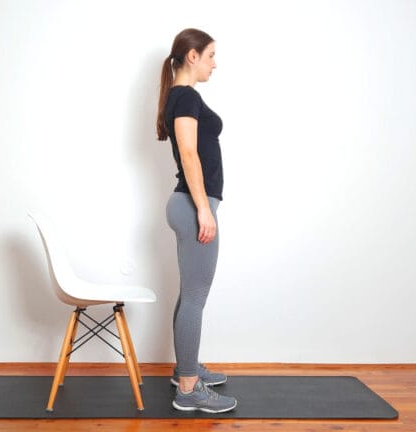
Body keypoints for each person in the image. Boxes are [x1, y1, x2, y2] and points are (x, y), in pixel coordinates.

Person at [156, 28, 238, 414]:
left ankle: (184, 371)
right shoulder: (186, 96)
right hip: (192, 205)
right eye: (210, 56)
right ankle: (188, 389)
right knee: (194, 297)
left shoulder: (182, 96)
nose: (214, 64)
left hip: (189, 204)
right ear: (192, 56)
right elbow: (188, 154)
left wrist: (202, 206)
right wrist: (204, 209)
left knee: (189, 293)